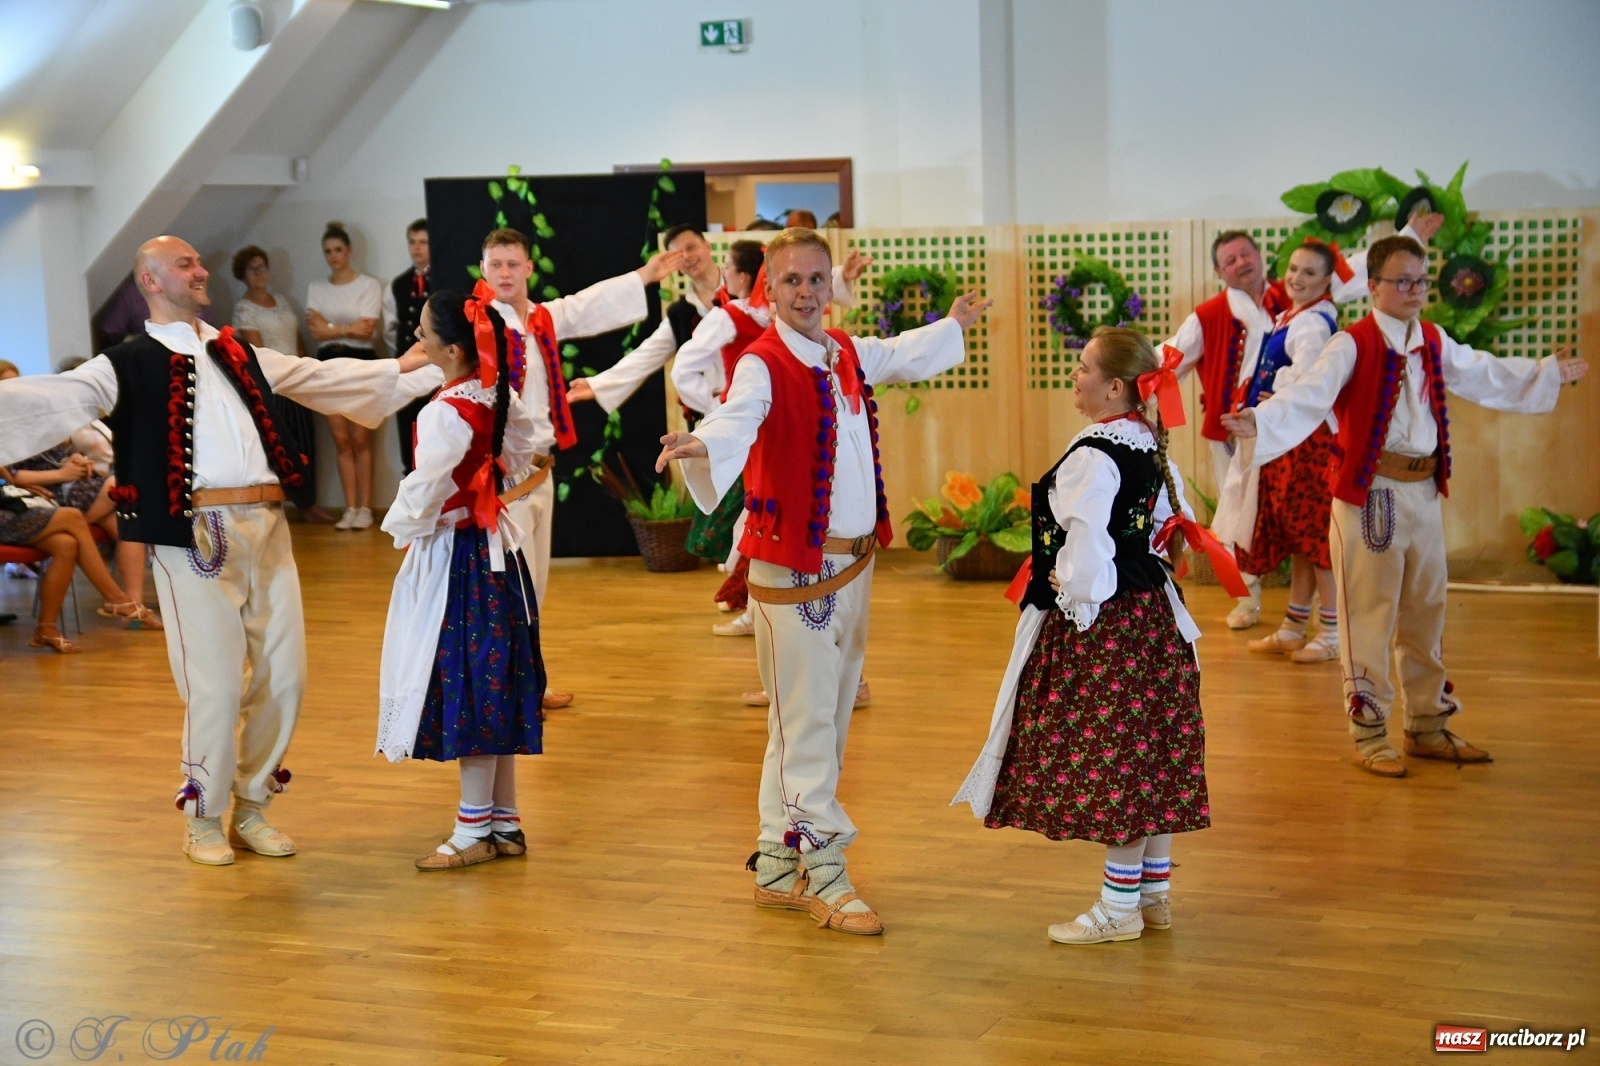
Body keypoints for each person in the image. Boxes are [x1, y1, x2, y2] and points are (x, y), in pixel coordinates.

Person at [0, 235, 441, 863]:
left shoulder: (237, 350)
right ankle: (204, 816)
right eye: (186, 265)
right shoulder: (120, 364)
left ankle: (254, 805)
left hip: (269, 526)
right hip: (195, 535)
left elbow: (319, 376)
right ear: (151, 281)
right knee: (214, 684)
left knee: (286, 676)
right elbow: (44, 400)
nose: (201, 270)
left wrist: (415, 366)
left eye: (199, 262)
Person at [657, 227, 992, 935]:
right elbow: (738, 418)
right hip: (795, 570)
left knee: (819, 720)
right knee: (806, 723)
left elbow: (899, 355)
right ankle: (826, 869)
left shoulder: (842, 353)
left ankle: (779, 863)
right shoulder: (762, 363)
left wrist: (951, 326)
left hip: (853, 566)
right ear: (767, 290)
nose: (806, 293)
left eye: (816, 280)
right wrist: (703, 442)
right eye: (792, 282)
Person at [1222, 235, 1589, 778]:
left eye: (1420, 280)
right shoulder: (1353, 343)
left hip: (1423, 492)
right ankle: (1370, 731)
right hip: (1371, 498)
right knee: (1369, 614)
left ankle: (1427, 724)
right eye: (1402, 281)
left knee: (1427, 609)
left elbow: (1482, 371)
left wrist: (1544, 373)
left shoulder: (1432, 339)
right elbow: (1309, 394)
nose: (1415, 290)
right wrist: (1261, 420)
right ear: (1373, 287)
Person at [953, 327, 1218, 945]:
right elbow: (1160, 528)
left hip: (1107, 621)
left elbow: (1088, 542)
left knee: (1116, 758)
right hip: (1151, 610)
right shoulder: (1146, 442)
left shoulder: (1096, 453)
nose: (1074, 376)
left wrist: (1070, 588)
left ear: (1114, 386)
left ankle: (1118, 908)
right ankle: (1152, 893)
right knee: (1150, 750)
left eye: (1081, 368)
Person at [1162, 216, 1440, 628]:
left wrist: (1409, 237)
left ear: (1259, 255)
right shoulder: (1208, 315)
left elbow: (1354, 270)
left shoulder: (1298, 303)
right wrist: (1133, 378)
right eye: (1229, 260)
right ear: (1219, 272)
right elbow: (1171, 356)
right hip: (1232, 431)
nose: (1240, 263)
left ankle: (1320, 625)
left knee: (1297, 525)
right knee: (1244, 515)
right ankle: (1250, 600)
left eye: (1245, 254)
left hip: (1297, 432)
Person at [473, 227, 685, 710]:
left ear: (528, 269)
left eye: (513, 264)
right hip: (502, 477)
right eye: (496, 265)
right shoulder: (478, 325)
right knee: (508, 586)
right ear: (483, 270)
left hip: (540, 472)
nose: (505, 273)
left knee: (535, 587)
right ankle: (505, 688)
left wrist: (645, 276)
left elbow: (587, 304)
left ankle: (528, 680)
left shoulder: (542, 319)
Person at [376, 289, 544, 870]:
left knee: (473, 683)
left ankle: (474, 831)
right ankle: (503, 821)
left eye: (423, 333)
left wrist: (404, 526)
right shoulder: (495, 396)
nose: (415, 341)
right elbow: (524, 448)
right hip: (493, 551)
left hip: (460, 557)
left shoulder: (444, 411)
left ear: (450, 349)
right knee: (493, 678)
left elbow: (425, 488)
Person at [1211, 240, 1343, 662]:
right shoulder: (1296, 315)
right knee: (1302, 538)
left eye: (1309, 273)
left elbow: (1311, 377)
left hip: (1309, 443)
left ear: (1326, 281)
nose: (1298, 278)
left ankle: (1333, 632)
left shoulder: (1313, 324)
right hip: (1290, 439)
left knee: (1318, 539)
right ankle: (1293, 624)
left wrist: (1277, 392)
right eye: (1294, 269)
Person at [0, 464, 158, 652]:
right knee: (73, 517)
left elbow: (7, 470)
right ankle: (115, 598)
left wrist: (13, 484)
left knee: (66, 545)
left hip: (8, 502)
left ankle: (46, 629)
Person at [232, 245, 326, 520]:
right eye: (253, 268)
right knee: (281, 445)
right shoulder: (244, 309)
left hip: (297, 379)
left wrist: (306, 370)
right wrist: (283, 374)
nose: (259, 273)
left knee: (306, 441)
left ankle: (310, 503)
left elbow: (297, 338)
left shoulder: (282, 301)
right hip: (273, 385)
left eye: (262, 266)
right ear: (244, 275)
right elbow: (257, 351)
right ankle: (279, 504)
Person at [306, 222, 385, 530]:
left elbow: (367, 329)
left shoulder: (368, 285)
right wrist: (343, 328)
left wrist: (331, 328)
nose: (333, 256)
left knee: (360, 436)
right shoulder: (317, 287)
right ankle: (349, 507)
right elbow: (314, 331)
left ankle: (365, 507)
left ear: (349, 251)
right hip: (328, 362)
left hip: (361, 360)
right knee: (340, 439)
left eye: (338, 250)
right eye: (328, 251)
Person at [382, 219, 434, 473]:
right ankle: (410, 474)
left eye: (423, 242)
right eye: (412, 242)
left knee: (433, 428)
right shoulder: (399, 284)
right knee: (407, 426)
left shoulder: (444, 279)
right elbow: (391, 328)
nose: (417, 248)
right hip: (407, 369)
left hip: (436, 371)